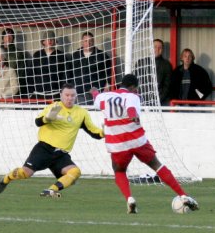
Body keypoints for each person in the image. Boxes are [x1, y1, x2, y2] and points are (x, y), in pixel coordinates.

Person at [93, 74, 199, 214]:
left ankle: (130, 199)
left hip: (117, 144)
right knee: (157, 165)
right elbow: (131, 110)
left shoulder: (104, 97)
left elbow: (96, 98)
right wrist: (133, 117)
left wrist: (94, 91)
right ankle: (183, 195)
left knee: (119, 171)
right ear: (132, 87)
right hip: (137, 140)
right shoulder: (132, 97)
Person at [0, 83, 104, 197]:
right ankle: (6, 179)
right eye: (67, 95)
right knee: (25, 173)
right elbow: (38, 122)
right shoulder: (54, 107)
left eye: (72, 95)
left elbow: (94, 132)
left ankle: (50, 190)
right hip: (44, 149)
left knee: (75, 172)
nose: (70, 98)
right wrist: (48, 118)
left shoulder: (82, 113)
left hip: (61, 154)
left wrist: (104, 132)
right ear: (61, 95)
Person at [70, 31, 112, 105]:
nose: (88, 43)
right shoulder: (75, 55)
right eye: (86, 41)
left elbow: (109, 72)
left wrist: (107, 85)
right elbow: (69, 73)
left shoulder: (101, 55)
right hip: (78, 92)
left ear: (93, 42)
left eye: (90, 41)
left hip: (95, 92)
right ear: (82, 42)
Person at [135, 39, 172, 105]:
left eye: (159, 47)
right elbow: (135, 81)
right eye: (155, 47)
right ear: (150, 48)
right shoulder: (140, 63)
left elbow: (167, 86)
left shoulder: (167, 65)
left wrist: (159, 99)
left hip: (160, 103)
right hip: (142, 101)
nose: (157, 49)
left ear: (162, 50)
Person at [31, 30, 68, 99]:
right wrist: (31, 90)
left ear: (55, 41)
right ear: (43, 41)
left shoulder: (61, 55)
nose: (50, 41)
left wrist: (63, 90)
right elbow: (31, 73)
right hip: (39, 93)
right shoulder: (37, 55)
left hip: (56, 93)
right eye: (47, 39)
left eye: (52, 39)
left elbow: (65, 75)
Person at [0, 28, 31, 98]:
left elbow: (22, 73)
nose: (8, 38)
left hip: (12, 88)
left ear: (13, 38)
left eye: (10, 36)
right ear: (2, 38)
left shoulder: (19, 53)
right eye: (6, 36)